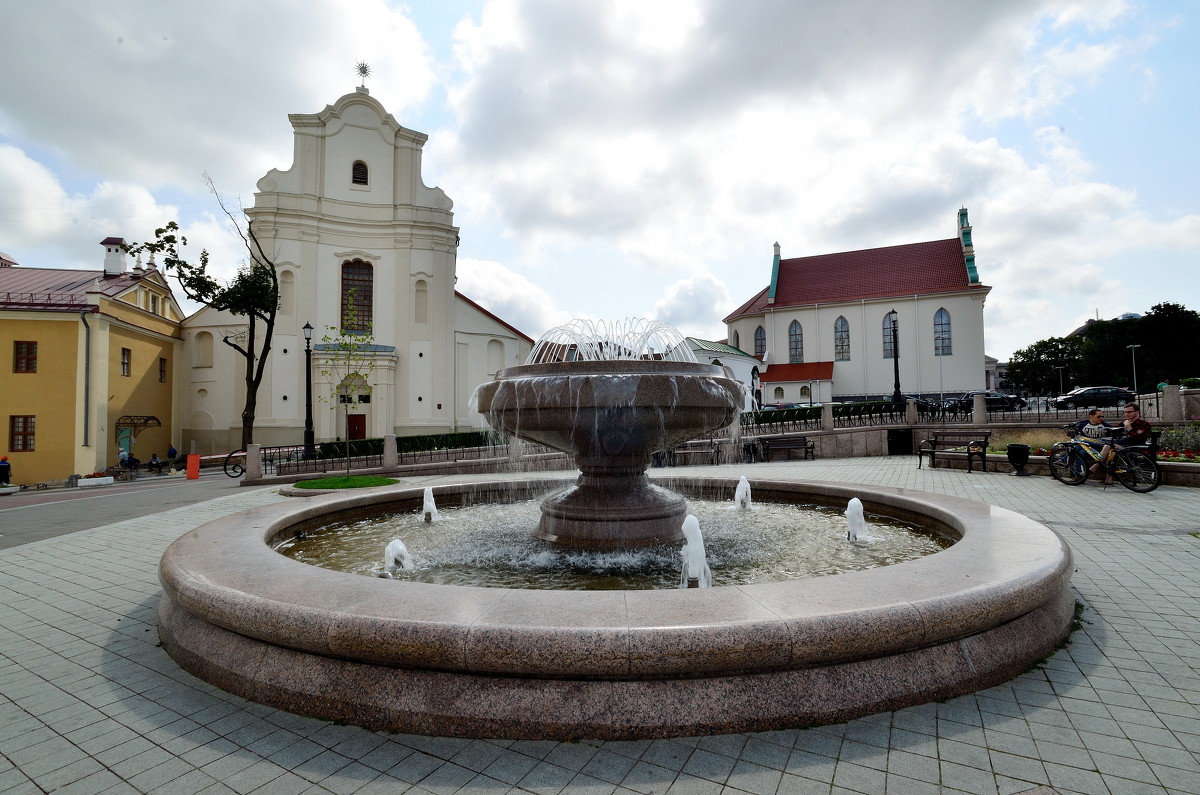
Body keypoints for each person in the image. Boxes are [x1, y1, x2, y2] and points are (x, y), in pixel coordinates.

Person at [1095, 402, 1151, 485]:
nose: (1127, 414)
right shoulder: (1122, 424)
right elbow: (1116, 437)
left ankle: (1097, 466)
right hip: (1120, 448)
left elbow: (1137, 439)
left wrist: (1128, 427)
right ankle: (1108, 478)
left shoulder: (1144, 424)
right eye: (1125, 412)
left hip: (1135, 448)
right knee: (1112, 449)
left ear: (1137, 412)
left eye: (1129, 412)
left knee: (1110, 447)